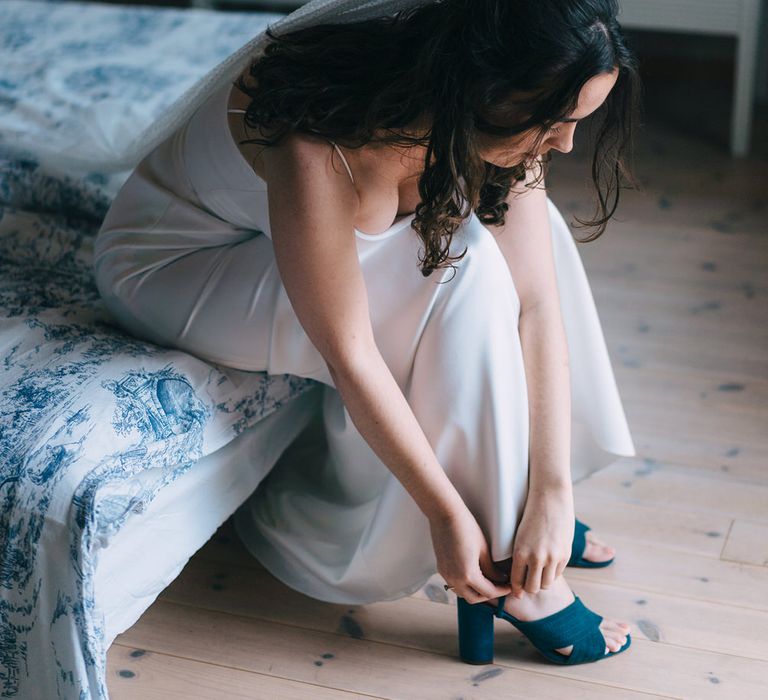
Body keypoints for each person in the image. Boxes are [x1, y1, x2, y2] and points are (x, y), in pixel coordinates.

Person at [93, 0, 640, 666]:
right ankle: (514, 567)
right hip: (176, 264)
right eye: (556, 123)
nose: (566, 145)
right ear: (486, 92)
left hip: (273, 239)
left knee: (534, 236)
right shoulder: (315, 137)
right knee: (456, 278)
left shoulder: (507, 97)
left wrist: (553, 489)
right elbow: (351, 355)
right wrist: (444, 514)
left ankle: (521, 512)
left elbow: (535, 304)